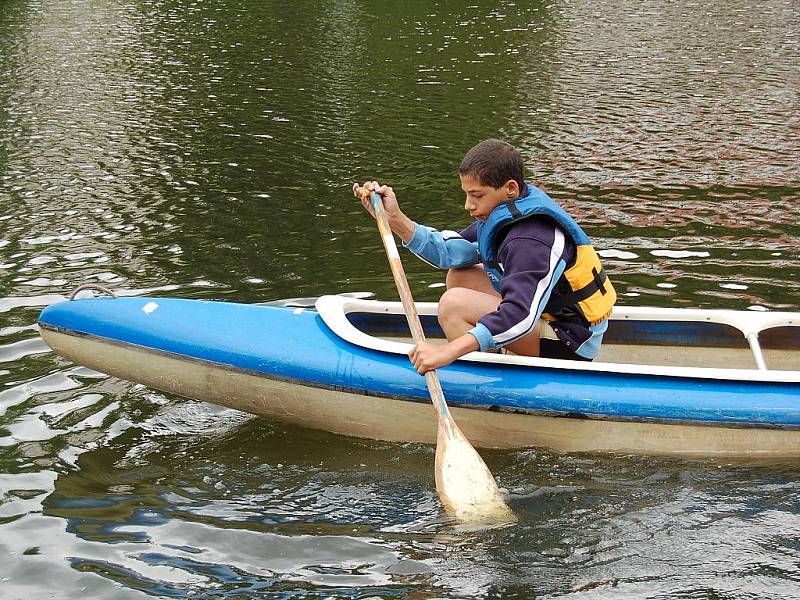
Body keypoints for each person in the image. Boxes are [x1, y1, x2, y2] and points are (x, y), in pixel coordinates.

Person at [354, 138, 616, 375]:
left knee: (454, 304)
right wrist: (395, 220)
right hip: (547, 317)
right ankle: (494, 356)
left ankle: (486, 377)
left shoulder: (531, 239)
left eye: (477, 195)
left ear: (510, 187)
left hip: (569, 341)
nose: (468, 205)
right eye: (467, 194)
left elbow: (520, 316)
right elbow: (452, 252)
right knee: (460, 276)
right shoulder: (505, 212)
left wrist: (448, 352)